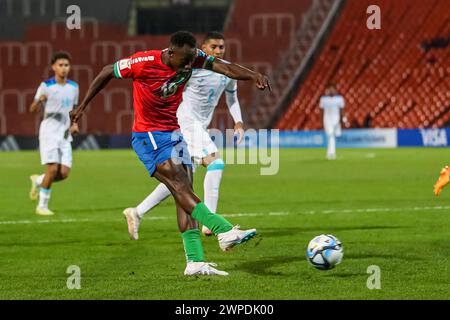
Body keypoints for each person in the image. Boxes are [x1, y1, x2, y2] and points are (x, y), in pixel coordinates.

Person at [70, 31, 271, 276]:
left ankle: (195, 261)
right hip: (149, 134)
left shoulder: (192, 57)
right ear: (171, 52)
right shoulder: (143, 63)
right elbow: (105, 72)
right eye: (184, 61)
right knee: (179, 185)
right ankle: (224, 230)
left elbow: (224, 68)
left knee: (183, 192)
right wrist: (81, 108)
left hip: (173, 131)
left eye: (191, 61)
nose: (188, 66)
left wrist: (254, 75)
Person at [123, 31, 244, 239]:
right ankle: (211, 224)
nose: (218, 50)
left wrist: (239, 122)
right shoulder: (191, 67)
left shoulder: (226, 71)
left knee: (181, 182)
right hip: (185, 123)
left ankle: (137, 211)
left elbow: (232, 98)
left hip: (200, 127)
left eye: (221, 47)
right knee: (215, 163)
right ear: (203, 48)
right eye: (213, 47)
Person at [29, 51, 79, 216]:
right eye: (60, 65)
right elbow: (32, 109)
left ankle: (38, 180)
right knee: (52, 170)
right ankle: (42, 206)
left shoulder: (74, 87)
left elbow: (74, 110)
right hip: (49, 131)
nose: (64, 68)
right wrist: (39, 101)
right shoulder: (46, 86)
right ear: (53, 67)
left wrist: (74, 124)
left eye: (66, 65)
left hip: (65, 133)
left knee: (63, 173)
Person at [319, 83, 345, 160]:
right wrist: (321, 121)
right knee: (330, 135)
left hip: (336, 119)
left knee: (334, 135)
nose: (331, 91)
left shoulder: (339, 99)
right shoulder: (323, 99)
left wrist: (341, 120)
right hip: (327, 119)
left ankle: (330, 153)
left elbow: (341, 110)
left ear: (335, 90)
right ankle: (331, 154)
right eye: (329, 89)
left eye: (332, 89)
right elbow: (321, 111)